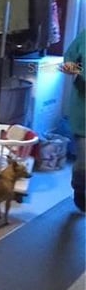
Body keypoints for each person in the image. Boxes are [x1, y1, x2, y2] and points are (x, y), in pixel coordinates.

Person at [60, 28, 86, 211]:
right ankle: (79, 189)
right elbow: (70, 56)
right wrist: (70, 66)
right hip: (83, 110)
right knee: (84, 163)